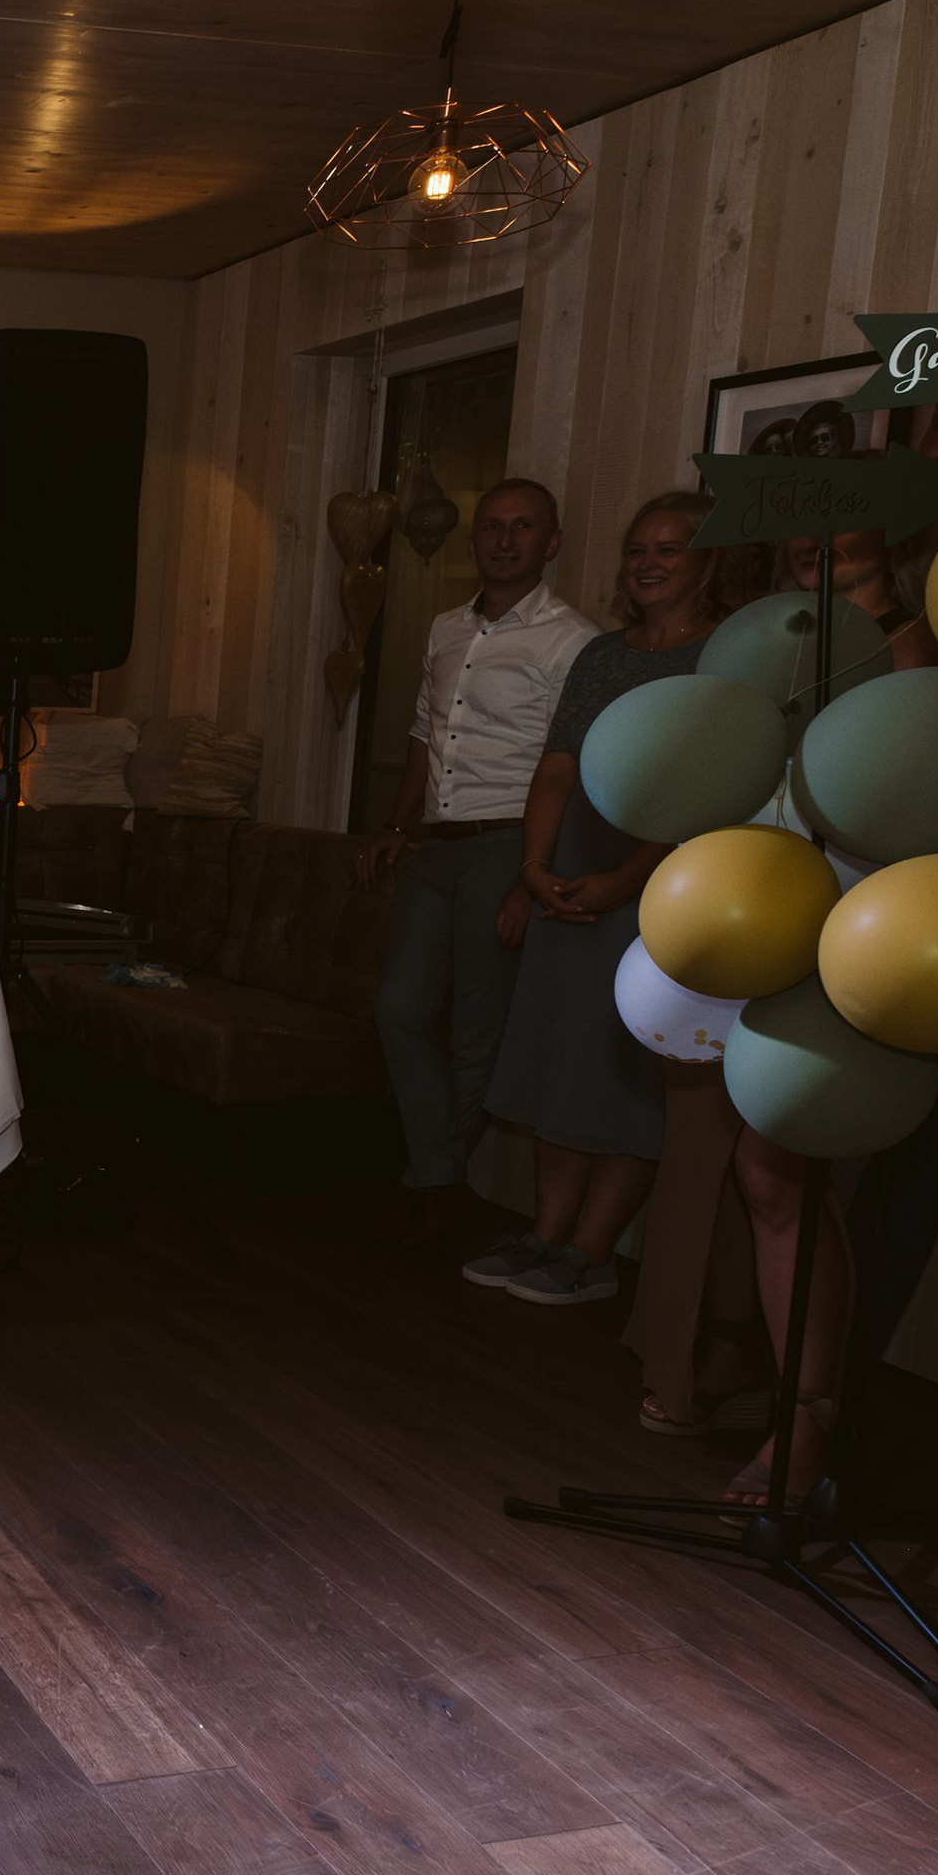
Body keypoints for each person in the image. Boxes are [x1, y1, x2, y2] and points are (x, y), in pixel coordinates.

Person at [466, 494, 748, 1312]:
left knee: (626, 1073)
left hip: (663, 888)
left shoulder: (727, 654)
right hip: (573, 872)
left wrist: (626, 881)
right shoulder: (601, 654)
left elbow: (708, 786)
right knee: (559, 1057)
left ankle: (590, 1254)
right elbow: (557, 764)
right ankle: (546, 1232)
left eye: (669, 548)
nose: (647, 563)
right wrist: (534, 865)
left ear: (708, 560)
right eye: (636, 549)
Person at [355, 478, 599, 1245]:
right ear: (473, 541)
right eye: (492, 525)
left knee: (476, 1033)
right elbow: (425, 734)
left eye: (523, 526)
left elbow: (570, 767)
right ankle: (439, 1178)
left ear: (550, 542)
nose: (504, 539)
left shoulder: (571, 639)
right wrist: (396, 823)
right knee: (399, 1007)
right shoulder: (445, 627)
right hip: (437, 843)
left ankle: (429, 1185)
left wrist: (532, 873)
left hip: (508, 844)